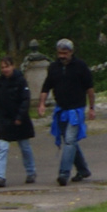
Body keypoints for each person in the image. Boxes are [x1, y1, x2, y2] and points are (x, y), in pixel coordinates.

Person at [37, 39, 94, 186]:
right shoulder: (53, 67)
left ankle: (64, 173)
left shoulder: (80, 66)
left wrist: (92, 108)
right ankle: (83, 169)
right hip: (61, 110)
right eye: (59, 53)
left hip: (76, 110)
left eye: (65, 53)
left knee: (69, 141)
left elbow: (90, 88)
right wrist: (41, 104)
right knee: (70, 141)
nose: (62, 56)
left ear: (71, 52)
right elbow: (46, 87)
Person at [0, 56, 36, 187]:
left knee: (25, 147)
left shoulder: (21, 80)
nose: (4, 70)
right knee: (2, 148)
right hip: (5, 120)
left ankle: (31, 172)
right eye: (2, 67)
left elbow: (25, 100)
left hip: (20, 120)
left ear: (12, 66)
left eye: (7, 66)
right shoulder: (0, 82)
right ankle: (0, 176)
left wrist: (20, 117)